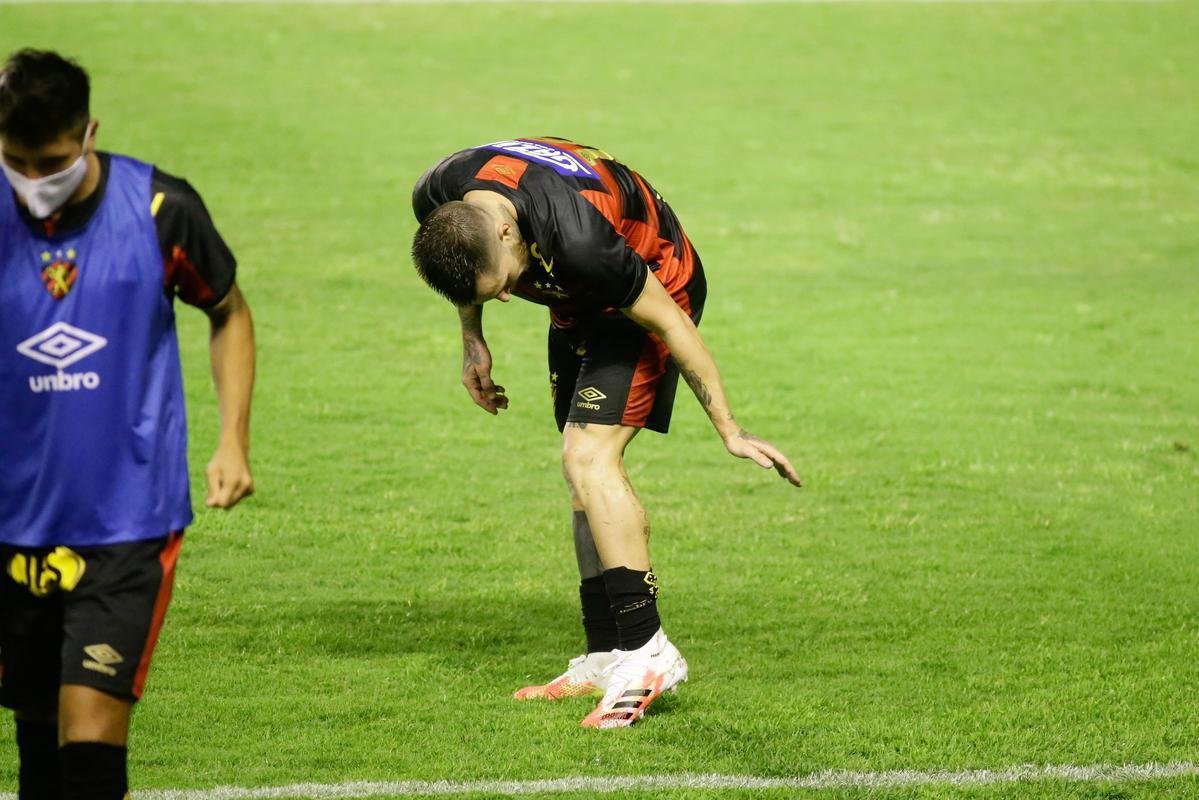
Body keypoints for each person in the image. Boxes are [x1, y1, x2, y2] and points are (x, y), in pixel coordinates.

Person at [411, 136, 801, 729]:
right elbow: (466, 265)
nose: (510, 295)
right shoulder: (442, 200)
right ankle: (603, 654)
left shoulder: (582, 241)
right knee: (578, 476)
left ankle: (647, 654)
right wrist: (473, 336)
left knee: (590, 457)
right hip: (576, 303)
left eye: (503, 284)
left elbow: (671, 322)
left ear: (510, 235)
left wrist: (730, 429)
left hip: (650, 289)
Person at [0, 50, 255, 798]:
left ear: (88, 133)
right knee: (36, 736)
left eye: (50, 159)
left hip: (127, 519)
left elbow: (227, 311)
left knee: (90, 736)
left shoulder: (159, 209)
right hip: (11, 518)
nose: (33, 176)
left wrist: (231, 439)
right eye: (14, 159)